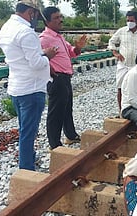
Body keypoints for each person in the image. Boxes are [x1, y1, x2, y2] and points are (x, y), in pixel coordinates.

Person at [0, 0, 57, 170]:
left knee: (24, 129)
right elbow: (36, 63)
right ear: (31, 12)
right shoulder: (26, 32)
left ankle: (29, 158)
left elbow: (21, 56)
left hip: (16, 87)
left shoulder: (6, 28)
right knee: (28, 133)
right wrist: (48, 55)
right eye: (36, 15)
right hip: (31, 88)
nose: (36, 19)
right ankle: (26, 168)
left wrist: (40, 54)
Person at [39, 7, 88, 149]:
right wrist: (50, 71)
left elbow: (72, 52)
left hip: (65, 77)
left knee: (67, 108)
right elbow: (37, 58)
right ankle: (54, 144)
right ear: (47, 21)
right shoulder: (44, 39)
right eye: (56, 18)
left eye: (60, 16)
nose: (60, 20)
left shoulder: (58, 37)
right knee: (56, 112)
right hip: (57, 77)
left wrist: (78, 47)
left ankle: (71, 135)